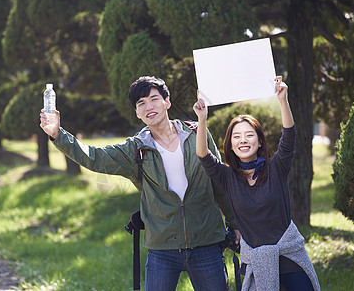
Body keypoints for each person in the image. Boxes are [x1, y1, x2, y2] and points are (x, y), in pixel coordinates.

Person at [40, 76, 238, 291]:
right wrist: (58, 135)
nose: (148, 107)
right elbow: (95, 157)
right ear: (136, 112)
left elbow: (220, 182)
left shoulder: (197, 133)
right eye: (141, 103)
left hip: (206, 242)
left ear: (167, 102)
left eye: (153, 99)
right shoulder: (135, 149)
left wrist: (235, 224)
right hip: (162, 248)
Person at [193, 76, 320, 291]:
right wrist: (202, 119)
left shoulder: (276, 168)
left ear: (259, 141)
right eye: (237, 136)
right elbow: (203, 155)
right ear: (230, 145)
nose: (243, 140)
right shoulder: (227, 176)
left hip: (288, 254)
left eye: (249, 135)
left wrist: (283, 101)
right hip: (257, 261)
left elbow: (289, 138)